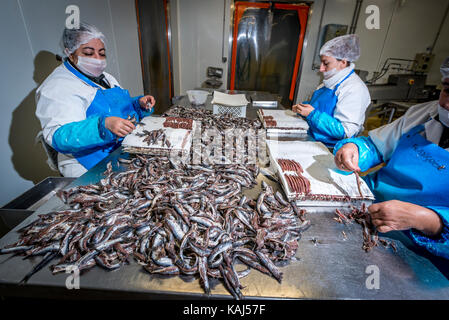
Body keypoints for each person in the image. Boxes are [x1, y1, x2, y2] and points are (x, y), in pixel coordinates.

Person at [333, 57, 449, 260]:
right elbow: (375, 146)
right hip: (362, 210)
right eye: (447, 89)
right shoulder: (422, 114)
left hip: (419, 256)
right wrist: (355, 149)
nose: (446, 104)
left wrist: (429, 220)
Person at [36, 22, 155, 177]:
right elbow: (58, 136)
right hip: (86, 165)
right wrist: (102, 126)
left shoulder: (105, 77)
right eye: (88, 53)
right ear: (70, 53)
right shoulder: (57, 86)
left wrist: (138, 105)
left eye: (102, 53)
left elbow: (117, 108)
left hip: (116, 153)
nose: (97, 59)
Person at [292, 34, 371, 147]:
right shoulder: (329, 83)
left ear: (343, 62)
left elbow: (345, 131)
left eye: (326, 63)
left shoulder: (354, 89)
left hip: (331, 148)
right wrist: (302, 108)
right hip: (313, 138)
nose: (321, 68)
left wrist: (312, 114)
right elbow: (320, 107)